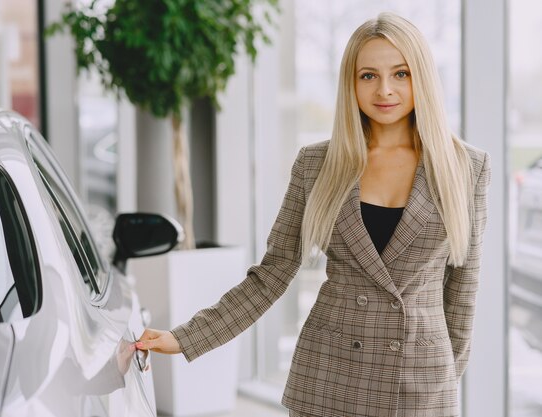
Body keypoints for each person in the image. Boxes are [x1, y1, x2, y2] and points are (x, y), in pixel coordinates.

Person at [135, 12, 491, 417]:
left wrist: (443, 378)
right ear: (350, 83)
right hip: (329, 377)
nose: (385, 90)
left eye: (401, 74)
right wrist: (185, 338)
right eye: (368, 76)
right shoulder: (316, 164)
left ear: (422, 78)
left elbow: (462, 295)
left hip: (419, 384)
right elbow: (270, 276)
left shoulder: (466, 167)